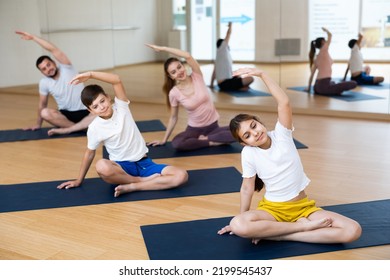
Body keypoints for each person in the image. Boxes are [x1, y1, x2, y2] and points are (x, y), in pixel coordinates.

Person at [218, 67, 361, 245]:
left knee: (352, 230)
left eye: (253, 126)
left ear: (260, 122)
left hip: (303, 209)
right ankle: (301, 228)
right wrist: (243, 218)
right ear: (244, 143)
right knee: (238, 224)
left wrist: (262, 74)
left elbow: (284, 102)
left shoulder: (282, 134)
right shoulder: (248, 153)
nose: (254, 134)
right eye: (247, 135)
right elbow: (247, 188)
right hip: (272, 211)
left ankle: (283, 234)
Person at [57, 71, 188, 197]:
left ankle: (133, 186)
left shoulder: (121, 106)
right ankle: (140, 181)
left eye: (102, 101)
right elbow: (89, 153)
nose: (102, 107)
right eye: (95, 106)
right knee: (102, 166)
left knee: (181, 176)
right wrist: (79, 180)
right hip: (122, 168)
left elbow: (116, 80)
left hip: (145, 163)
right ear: (90, 110)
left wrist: (90, 75)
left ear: (108, 98)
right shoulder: (94, 128)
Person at [145, 44, 236, 151]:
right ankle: (212, 142)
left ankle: (206, 139)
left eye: (179, 67)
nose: (179, 72)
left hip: (213, 126)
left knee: (237, 130)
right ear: (170, 76)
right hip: (194, 130)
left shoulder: (197, 76)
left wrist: (163, 48)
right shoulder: (174, 93)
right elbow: (173, 117)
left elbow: (187, 56)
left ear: (183, 66)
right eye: (173, 72)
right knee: (177, 143)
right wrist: (164, 139)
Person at [15, 30, 96, 136]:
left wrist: (34, 38)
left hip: (86, 111)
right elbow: (42, 104)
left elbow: (53, 49)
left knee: (102, 112)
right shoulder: (44, 83)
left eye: (48, 65)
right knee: (44, 112)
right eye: (44, 69)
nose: (48, 69)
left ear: (54, 62)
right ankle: (80, 128)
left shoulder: (67, 67)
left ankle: (72, 128)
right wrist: (38, 124)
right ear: (42, 72)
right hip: (65, 115)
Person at [307, 27, 357, 95]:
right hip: (324, 87)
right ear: (322, 42)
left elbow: (311, 76)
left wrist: (309, 88)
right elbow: (330, 35)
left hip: (316, 87)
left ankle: (334, 89)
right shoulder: (324, 50)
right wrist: (326, 30)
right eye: (325, 41)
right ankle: (335, 90)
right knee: (353, 83)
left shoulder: (317, 58)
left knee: (333, 83)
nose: (326, 42)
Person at [209, 22, 254, 91]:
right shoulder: (222, 49)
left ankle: (240, 87)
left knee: (238, 75)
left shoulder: (219, 55)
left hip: (222, 84)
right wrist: (230, 26)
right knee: (251, 79)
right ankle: (239, 88)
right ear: (223, 44)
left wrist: (212, 84)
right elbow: (228, 34)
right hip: (225, 83)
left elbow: (214, 72)